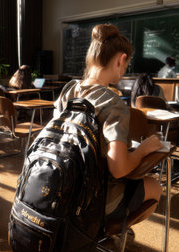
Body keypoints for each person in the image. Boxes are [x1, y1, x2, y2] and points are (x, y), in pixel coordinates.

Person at [54, 24, 163, 224]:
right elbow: (119, 169)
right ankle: (104, 232)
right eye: (127, 64)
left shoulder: (67, 91)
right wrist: (143, 149)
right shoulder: (113, 104)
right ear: (121, 59)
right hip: (91, 200)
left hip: (57, 189)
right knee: (155, 187)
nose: (124, 71)